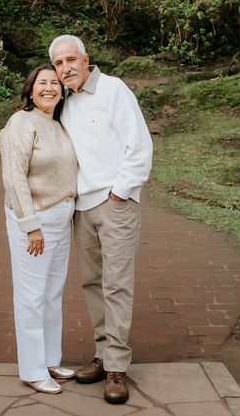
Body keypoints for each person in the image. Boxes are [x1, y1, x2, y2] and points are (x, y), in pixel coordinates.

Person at [49, 35, 153, 405]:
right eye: (58, 63)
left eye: (70, 59)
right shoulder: (64, 100)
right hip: (81, 209)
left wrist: (120, 192)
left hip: (114, 205)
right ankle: (102, 354)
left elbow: (138, 146)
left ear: (85, 58)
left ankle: (117, 368)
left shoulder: (113, 89)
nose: (65, 68)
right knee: (92, 283)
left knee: (117, 285)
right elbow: (35, 119)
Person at [0, 64, 80, 394]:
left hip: (61, 221)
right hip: (35, 223)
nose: (49, 88)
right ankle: (33, 370)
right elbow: (14, 176)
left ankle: (49, 360)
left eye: (55, 83)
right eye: (42, 83)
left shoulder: (58, 125)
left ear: (62, 91)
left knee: (52, 293)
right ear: (30, 91)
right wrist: (30, 226)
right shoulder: (21, 122)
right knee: (31, 296)